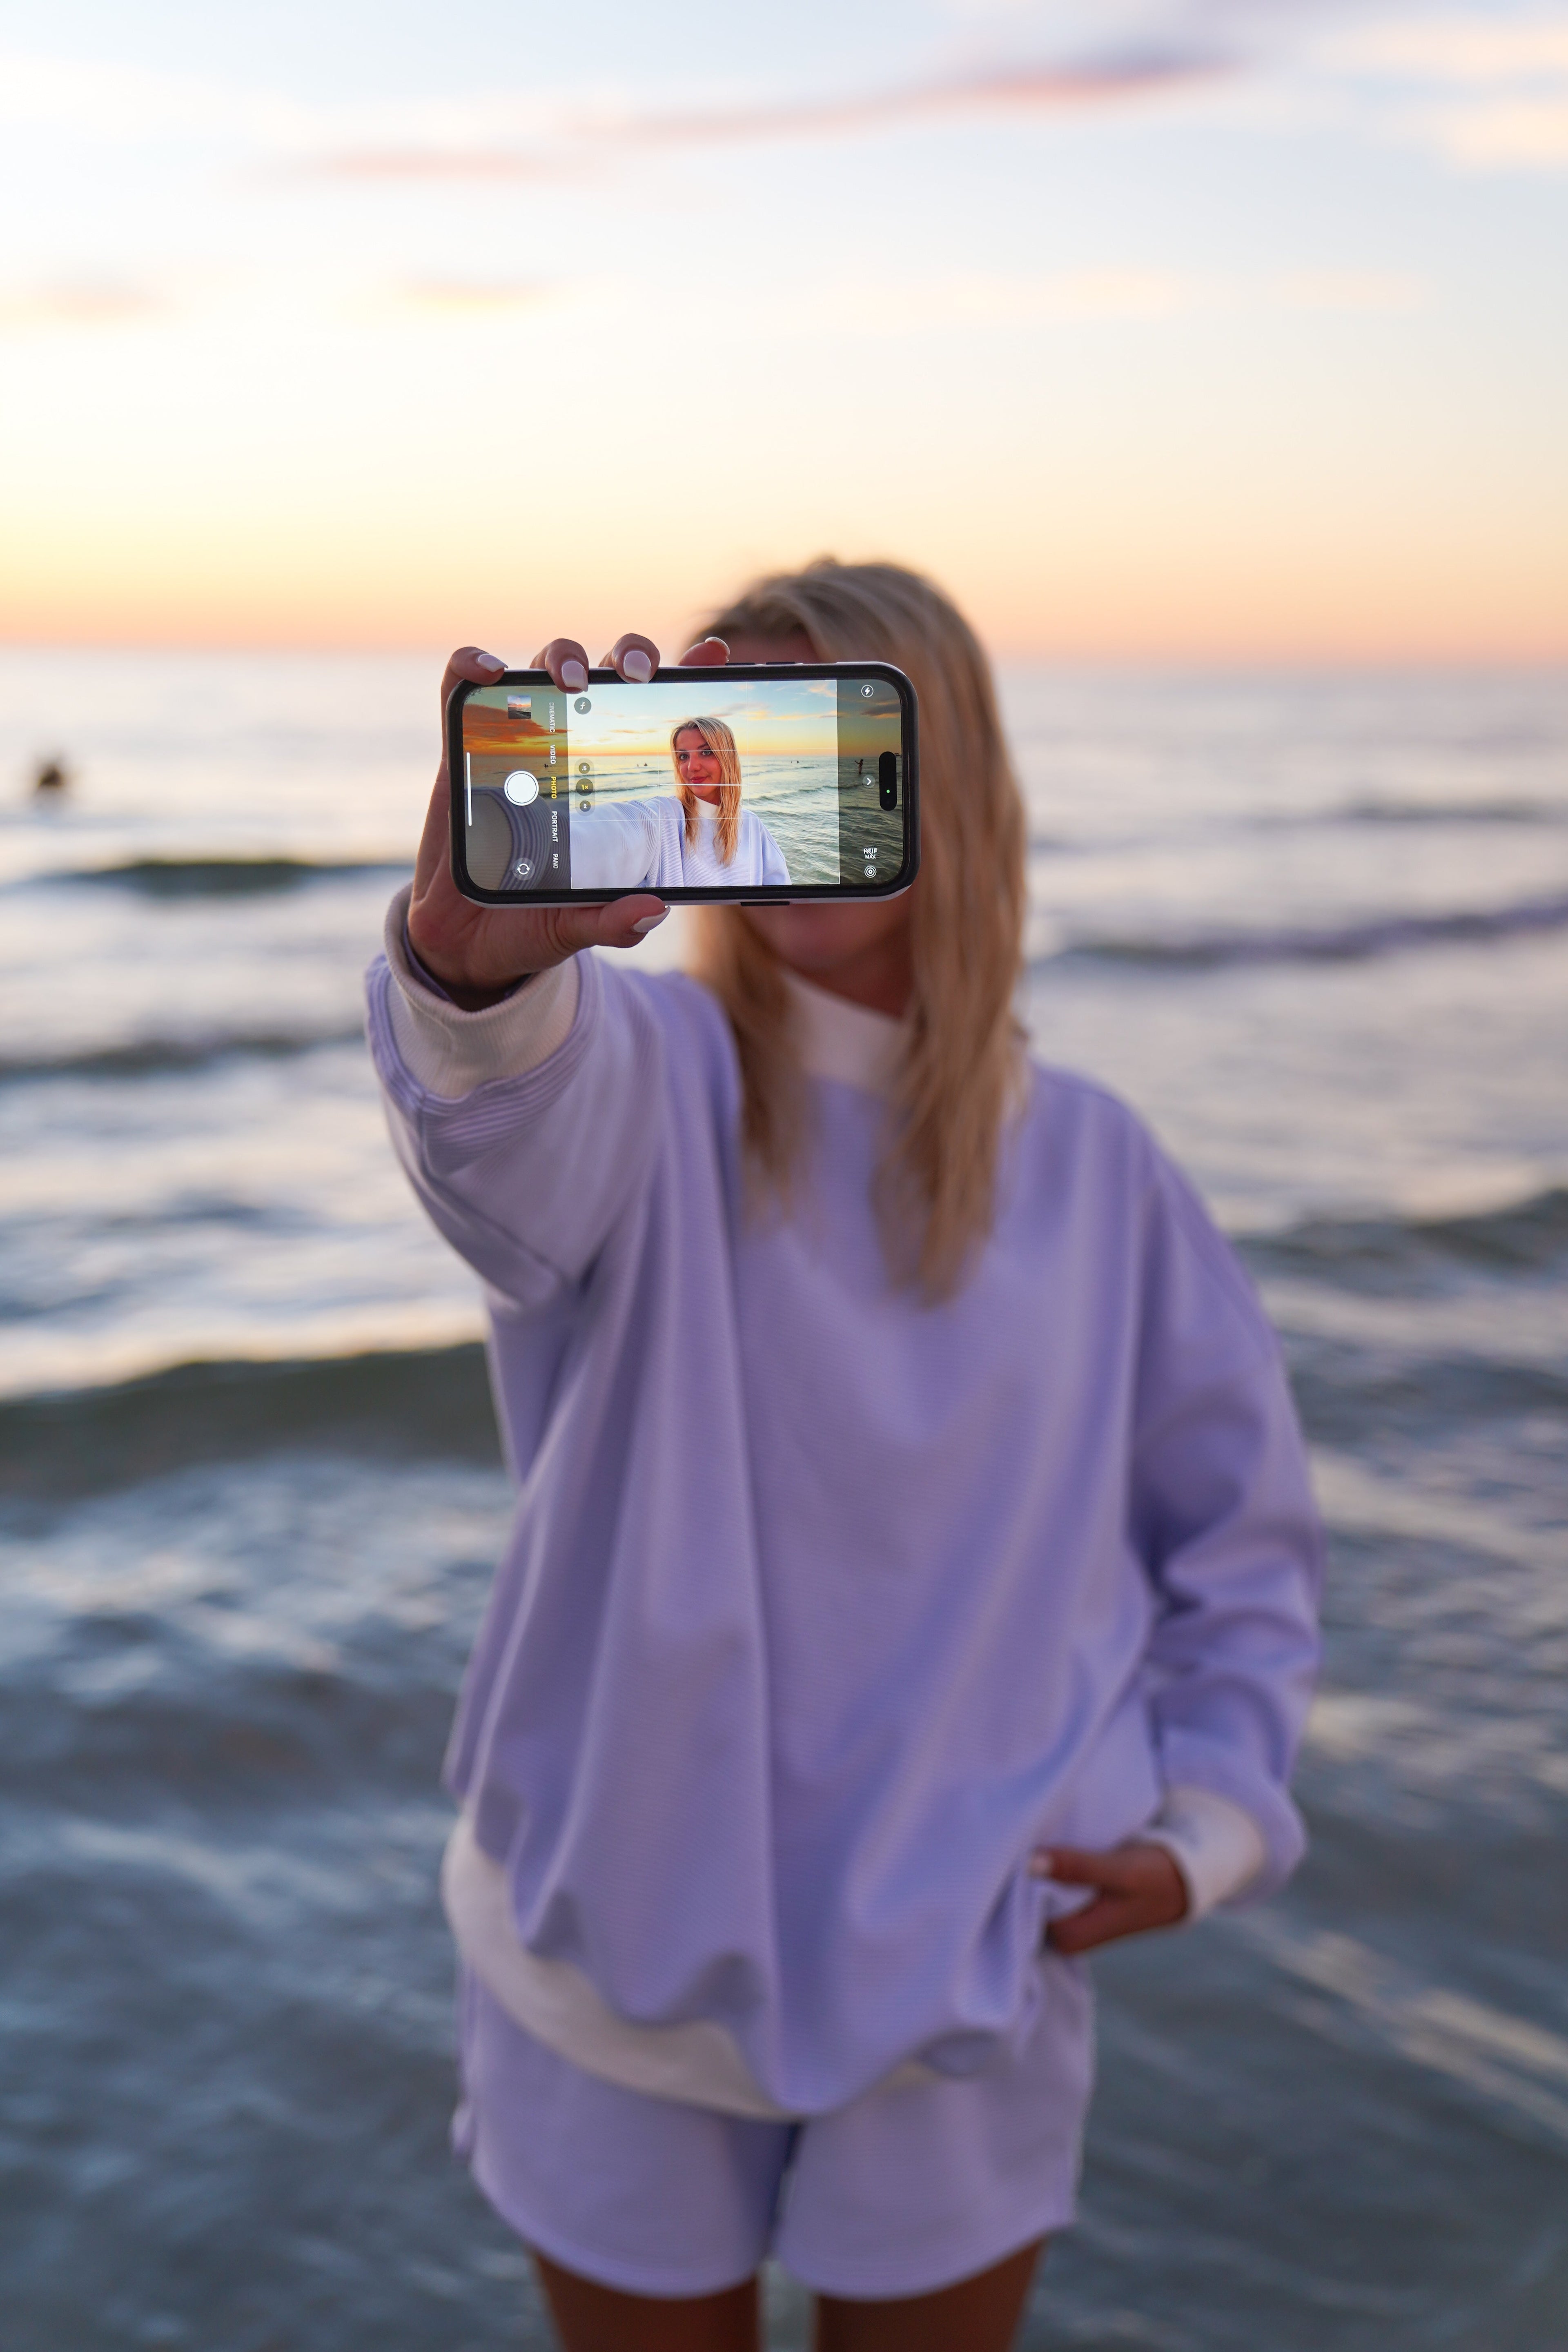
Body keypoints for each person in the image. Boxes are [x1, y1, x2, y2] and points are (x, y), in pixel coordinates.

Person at [366, 559, 1321, 2352]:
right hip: (612, 1964)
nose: (761, 805)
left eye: (818, 746)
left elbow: (1238, 1547)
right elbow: (495, 1143)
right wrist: (467, 980)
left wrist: (1209, 1826)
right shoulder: (633, 1062)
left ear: (936, 779)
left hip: (971, 1960)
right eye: (726, 748)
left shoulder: (1098, 1169)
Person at [568, 714, 790, 891]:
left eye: (706, 752)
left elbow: (781, 906)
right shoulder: (666, 817)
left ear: (728, 758)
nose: (692, 767)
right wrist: (544, 840)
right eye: (683, 756)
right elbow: (614, 832)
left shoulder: (752, 827)